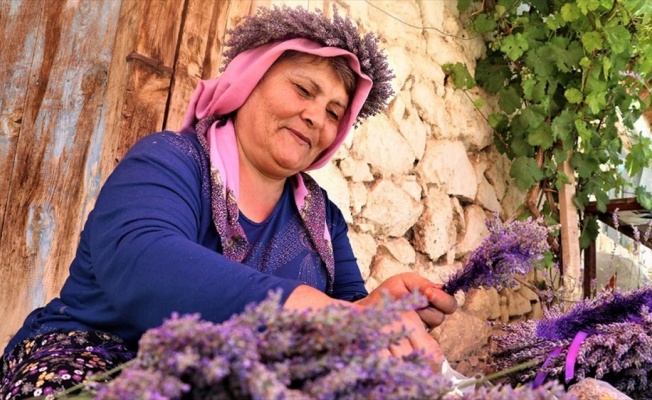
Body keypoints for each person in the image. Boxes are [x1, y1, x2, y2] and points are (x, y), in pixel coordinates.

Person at [0, 6, 456, 399]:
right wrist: (311, 310)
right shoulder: (170, 160)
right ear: (248, 81)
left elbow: (348, 310)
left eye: (335, 112)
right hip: (94, 357)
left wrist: (376, 307)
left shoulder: (322, 217)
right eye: (303, 90)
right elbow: (143, 261)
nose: (317, 116)